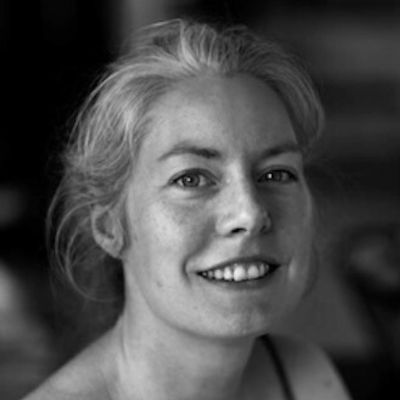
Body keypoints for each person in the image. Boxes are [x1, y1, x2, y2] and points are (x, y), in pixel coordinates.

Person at [23, 18, 352, 400]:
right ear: (110, 226)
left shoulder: (304, 375)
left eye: (277, 173)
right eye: (192, 179)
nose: (249, 214)